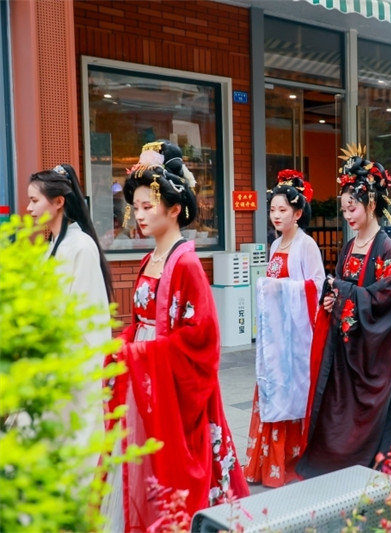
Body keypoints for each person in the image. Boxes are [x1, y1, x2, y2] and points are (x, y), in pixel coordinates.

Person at [103, 141, 248, 530]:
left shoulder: (186, 262)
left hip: (171, 382)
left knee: (175, 469)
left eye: (148, 206)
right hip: (149, 377)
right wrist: (126, 344)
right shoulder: (151, 257)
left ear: (175, 208)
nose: (139, 215)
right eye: (135, 208)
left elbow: (201, 340)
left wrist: (141, 353)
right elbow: (140, 318)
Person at [297, 147, 391, 477]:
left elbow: (388, 299)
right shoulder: (349, 247)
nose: (348, 214)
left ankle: (381, 469)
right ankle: (340, 466)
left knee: (384, 422)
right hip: (347, 349)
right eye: (345, 208)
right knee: (339, 411)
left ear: (371, 205)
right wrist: (331, 299)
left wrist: (344, 291)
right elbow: (340, 285)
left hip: (374, 355)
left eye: (354, 207)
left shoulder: (386, 249)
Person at [243, 170, 324, 488]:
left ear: (298, 213)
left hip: (295, 340)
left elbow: (316, 288)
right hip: (273, 339)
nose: (276, 215)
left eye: (283, 210)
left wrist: (280, 291)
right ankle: (267, 462)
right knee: (269, 390)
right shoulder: (276, 243)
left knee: (292, 395)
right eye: (273, 210)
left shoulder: (307, 246)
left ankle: (289, 459)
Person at [27, 164, 113, 448]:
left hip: (72, 373)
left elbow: (90, 322)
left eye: (35, 200)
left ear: (59, 202)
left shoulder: (80, 247)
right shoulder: (51, 247)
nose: (28, 208)